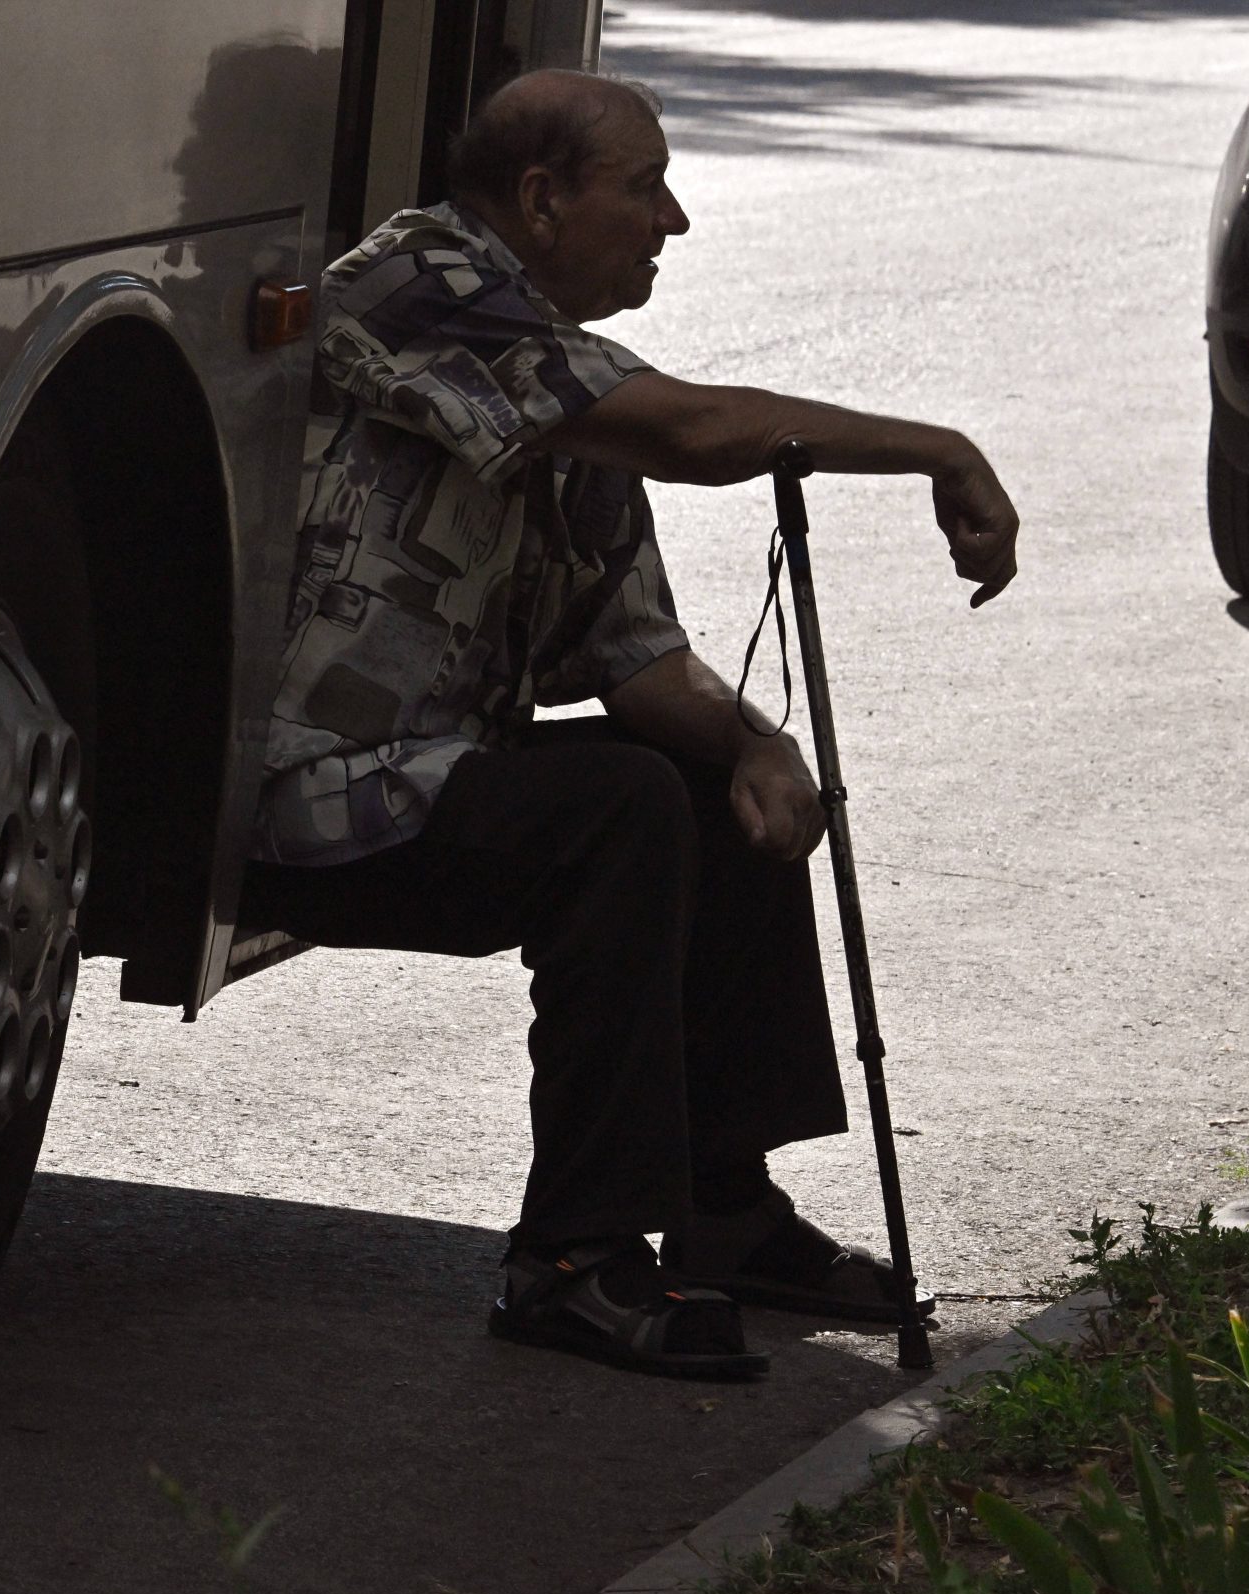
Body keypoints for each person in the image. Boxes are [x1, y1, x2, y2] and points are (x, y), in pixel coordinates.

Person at [240, 69, 1021, 1380]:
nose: (675, 221)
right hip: (305, 788)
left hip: (430, 781)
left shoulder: (558, 386)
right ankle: (571, 1261)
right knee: (620, 806)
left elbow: (642, 659)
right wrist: (939, 447)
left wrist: (757, 747)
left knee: (696, 777)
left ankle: (724, 1211)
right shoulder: (416, 282)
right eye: (644, 185)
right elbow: (707, 430)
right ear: (543, 199)